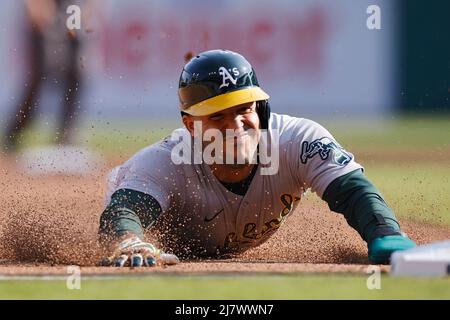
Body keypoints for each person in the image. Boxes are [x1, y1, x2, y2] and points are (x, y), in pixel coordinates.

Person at [98, 49, 416, 267]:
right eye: (217, 116)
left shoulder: (297, 140)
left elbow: (353, 190)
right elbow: (125, 210)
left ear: (261, 109)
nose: (235, 126)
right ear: (190, 125)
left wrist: (385, 234)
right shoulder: (165, 162)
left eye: (243, 110)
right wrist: (128, 242)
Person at [3, 0, 83, 152]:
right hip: (45, 8)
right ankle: (16, 130)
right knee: (41, 73)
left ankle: (66, 133)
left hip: (73, 10)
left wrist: (88, 10)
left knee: (76, 70)